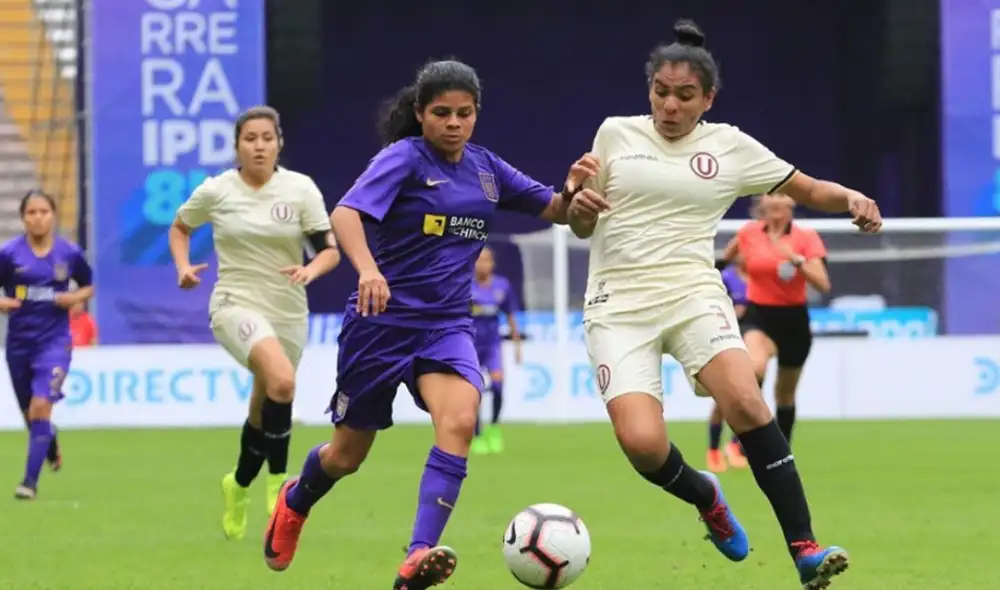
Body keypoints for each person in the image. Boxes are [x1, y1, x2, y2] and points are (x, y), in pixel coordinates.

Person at [262, 59, 602, 590]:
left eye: (464, 113)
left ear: (476, 115)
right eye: (441, 112)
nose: (453, 123)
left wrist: (573, 189)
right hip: (381, 324)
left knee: (461, 421)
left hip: (446, 326)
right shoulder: (402, 159)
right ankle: (295, 502)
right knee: (346, 456)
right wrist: (369, 270)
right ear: (421, 114)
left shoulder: (487, 170)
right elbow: (346, 214)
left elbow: (557, 210)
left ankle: (417, 556)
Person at [567, 20, 881, 589]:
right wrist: (576, 200)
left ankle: (805, 549)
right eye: (660, 91)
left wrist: (853, 197)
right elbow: (581, 225)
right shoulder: (614, 134)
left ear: (707, 99)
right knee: (641, 445)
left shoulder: (731, 146)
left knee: (746, 400)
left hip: (692, 294)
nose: (669, 104)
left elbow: (807, 189)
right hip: (619, 306)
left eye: (684, 96)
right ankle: (706, 495)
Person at [169, 106, 341, 541]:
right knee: (282, 383)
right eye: (250, 138)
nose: (259, 146)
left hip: (288, 311)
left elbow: (329, 249)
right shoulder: (217, 191)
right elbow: (180, 226)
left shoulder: (300, 189)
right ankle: (277, 485)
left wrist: (311, 271)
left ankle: (238, 484)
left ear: (279, 142)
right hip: (235, 303)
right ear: (237, 146)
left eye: (267, 137)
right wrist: (183, 266)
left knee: (264, 407)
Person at [0, 190, 94, 499]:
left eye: (44, 211)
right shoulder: (9, 254)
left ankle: (29, 482)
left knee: (41, 405)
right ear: (23, 217)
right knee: (33, 415)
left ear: (53, 215)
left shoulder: (68, 253)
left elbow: (89, 285)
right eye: (31, 212)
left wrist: (73, 298)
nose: (38, 217)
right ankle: (49, 441)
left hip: (54, 343)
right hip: (18, 344)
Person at [732, 192, 830, 446]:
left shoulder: (806, 238)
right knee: (755, 368)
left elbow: (823, 284)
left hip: (793, 320)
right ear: (761, 202)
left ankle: (781, 449)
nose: (776, 202)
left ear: (792, 203)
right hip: (759, 315)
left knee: (784, 394)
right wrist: (742, 284)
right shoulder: (748, 233)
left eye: (782, 195)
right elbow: (730, 259)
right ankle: (745, 438)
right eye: (771, 195)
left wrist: (796, 260)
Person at [469, 245, 522, 455]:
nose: (483, 264)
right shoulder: (465, 286)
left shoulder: (502, 286)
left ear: (493, 263)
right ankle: (477, 435)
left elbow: (510, 314)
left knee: (498, 385)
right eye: (479, 260)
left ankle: (494, 428)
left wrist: (517, 344)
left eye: (487, 260)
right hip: (470, 346)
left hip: (492, 345)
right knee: (474, 392)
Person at [706, 260, 749, 472]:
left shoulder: (759, 277)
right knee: (723, 398)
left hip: (749, 341)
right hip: (725, 339)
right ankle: (713, 450)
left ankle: (735, 445)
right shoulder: (726, 277)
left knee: (746, 397)